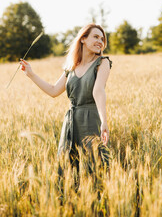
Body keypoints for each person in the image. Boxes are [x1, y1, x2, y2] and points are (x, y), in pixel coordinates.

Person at [20, 23, 112, 169]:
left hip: (92, 120)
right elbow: (53, 90)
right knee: (68, 166)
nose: (100, 41)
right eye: (95, 37)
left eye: (102, 39)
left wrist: (104, 121)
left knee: (95, 166)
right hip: (71, 121)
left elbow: (98, 90)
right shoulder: (72, 66)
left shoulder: (103, 63)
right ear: (83, 39)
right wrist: (31, 74)